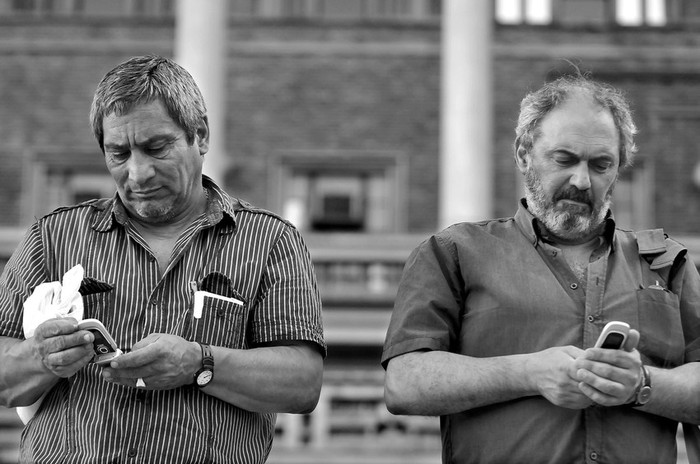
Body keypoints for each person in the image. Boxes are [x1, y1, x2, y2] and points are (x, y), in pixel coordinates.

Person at [0, 55, 325, 464]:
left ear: (200, 135)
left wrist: (198, 362)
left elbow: (302, 384)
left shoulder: (271, 240)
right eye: (118, 154)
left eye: (156, 148)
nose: (138, 174)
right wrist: (42, 357)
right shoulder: (52, 237)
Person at [382, 74, 700, 464]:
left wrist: (641, 385)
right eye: (564, 159)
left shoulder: (667, 262)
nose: (582, 181)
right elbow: (404, 384)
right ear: (523, 154)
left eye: (602, 165)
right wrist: (528, 373)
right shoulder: (454, 252)